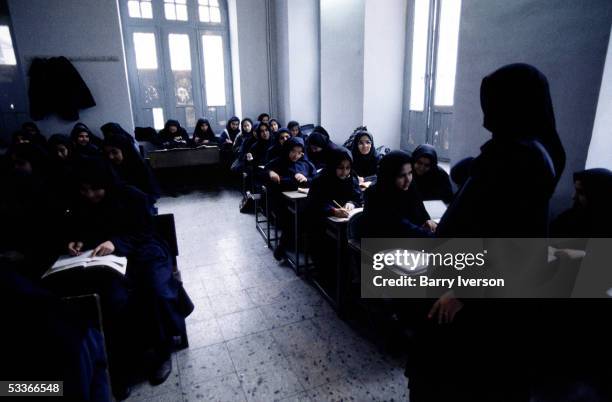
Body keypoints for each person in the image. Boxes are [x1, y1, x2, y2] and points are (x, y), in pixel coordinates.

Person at [408, 64, 567, 402]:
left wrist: (463, 292)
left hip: (479, 298)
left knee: (459, 377)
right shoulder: (525, 147)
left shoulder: (521, 157)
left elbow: (517, 242)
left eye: (493, 103)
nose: (486, 115)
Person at [63, 158, 191, 389]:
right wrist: (76, 240)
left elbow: (145, 231)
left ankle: (163, 350)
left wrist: (117, 241)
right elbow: (81, 228)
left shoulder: (131, 196)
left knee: (155, 290)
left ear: (106, 183)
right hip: (108, 259)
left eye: (95, 189)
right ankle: (127, 360)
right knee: (114, 300)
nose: (90, 195)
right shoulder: (80, 203)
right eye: (84, 190)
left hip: (145, 250)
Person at [306, 148, 363, 271]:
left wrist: (351, 203)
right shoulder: (320, 180)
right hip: (321, 222)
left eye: (348, 168)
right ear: (333, 166)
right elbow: (314, 202)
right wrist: (332, 210)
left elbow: (358, 197)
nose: (345, 172)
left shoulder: (351, 179)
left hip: (344, 221)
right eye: (340, 168)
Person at [362, 151, 436, 238]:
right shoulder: (375, 195)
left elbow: (420, 208)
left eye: (410, 173)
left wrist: (427, 219)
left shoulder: (410, 188)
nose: (408, 179)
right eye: (401, 175)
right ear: (389, 176)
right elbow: (401, 226)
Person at [265, 137, 317, 260]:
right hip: (283, 199)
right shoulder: (279, 162)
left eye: (299, 152)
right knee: (292, 216)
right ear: (287, 149)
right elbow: (267, 172)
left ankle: (290, 245)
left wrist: (306, 179)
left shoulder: (306, 163)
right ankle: (284, 245)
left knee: (308, 214)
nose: (296, 155)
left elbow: (315, 179)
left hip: (303, 198)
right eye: (293, 151)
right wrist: (270, 173)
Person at [551, 168, 612, 237]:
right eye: (576, 190)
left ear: (597, 196)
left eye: (581, 192)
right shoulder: (567, 220)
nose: (573, 196)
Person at [102, 134, 160, 207]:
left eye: (115, 152)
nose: (110, 157)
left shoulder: (140, 166)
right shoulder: (107, 167)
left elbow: (152, 194)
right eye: (107, 153)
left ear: (125, 151)